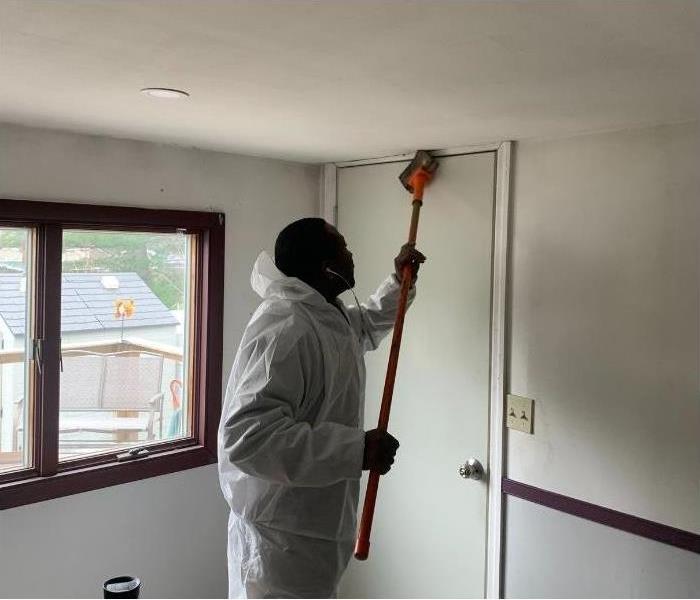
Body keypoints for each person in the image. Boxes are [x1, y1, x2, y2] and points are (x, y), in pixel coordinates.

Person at [218, 217, 425, 598]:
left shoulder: (326, 315)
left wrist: (399, 281)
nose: (351, 254)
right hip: (279, 542)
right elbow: (247, 440)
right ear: (325, 267)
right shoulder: (286, 328)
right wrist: (356, 449)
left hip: (312, 529)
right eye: (343, 247)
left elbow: (363, 326)